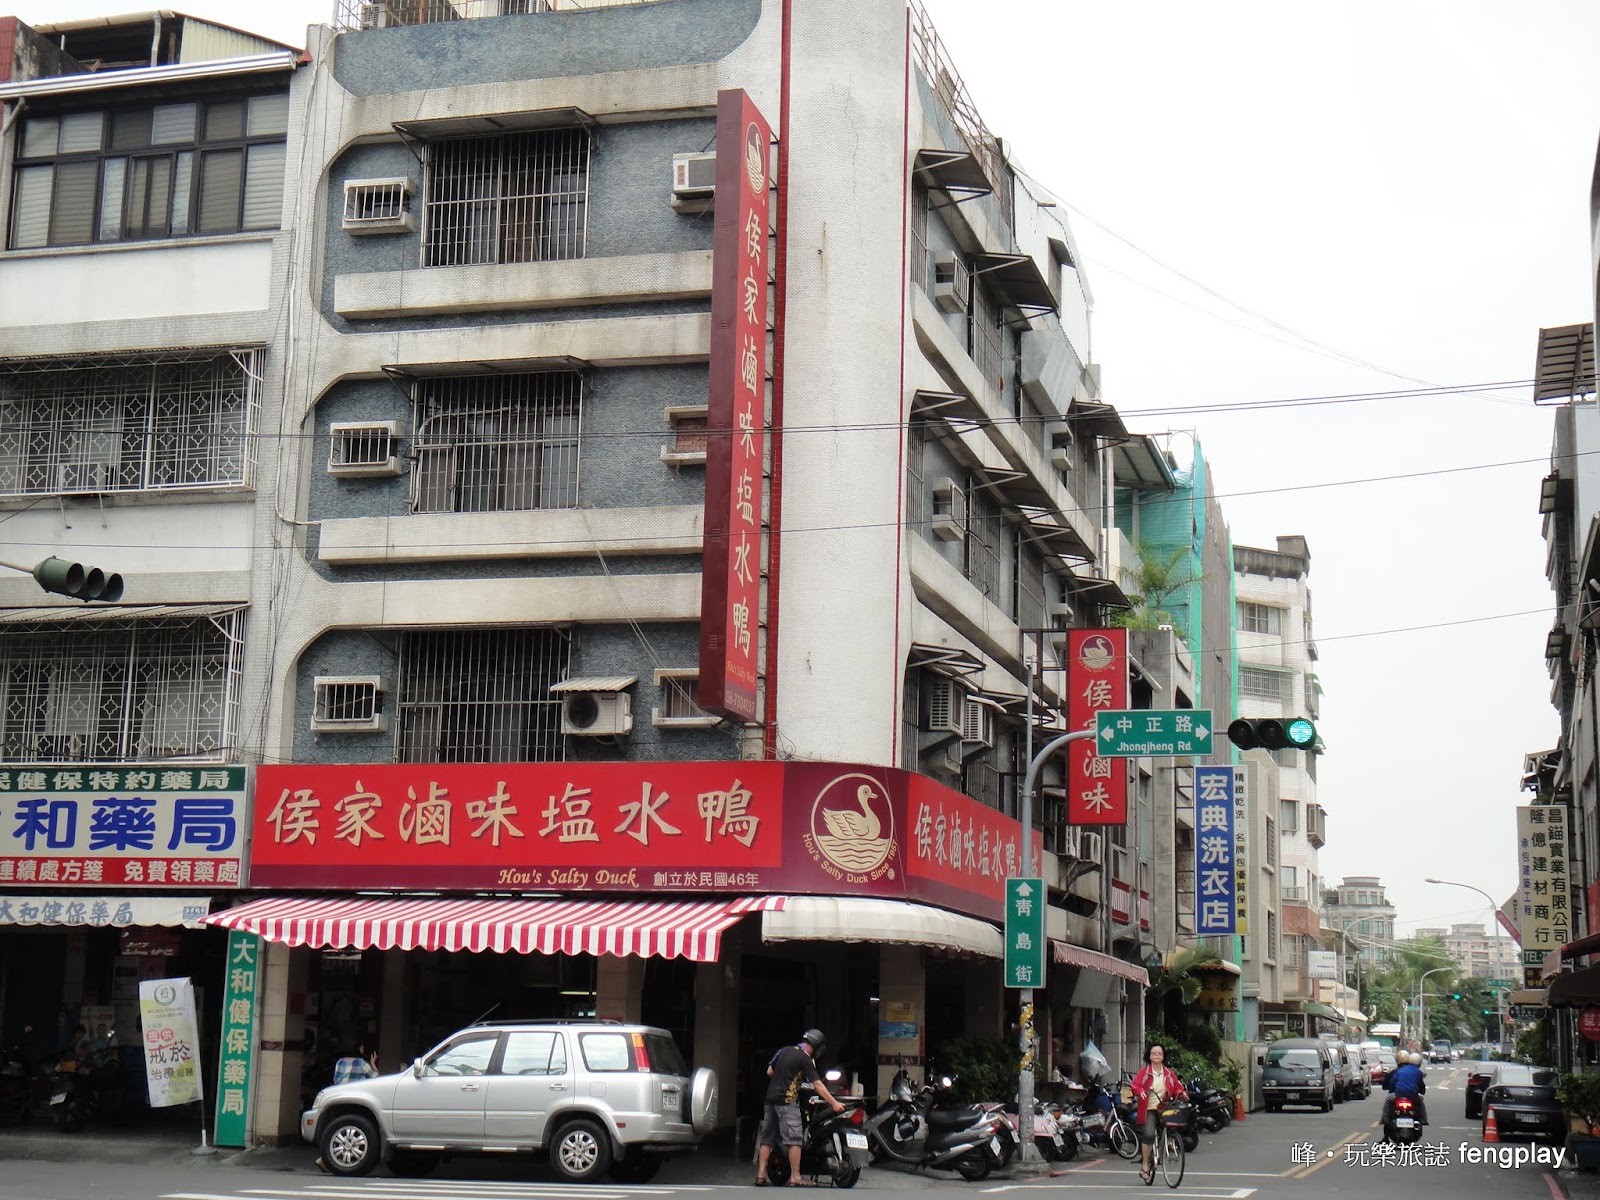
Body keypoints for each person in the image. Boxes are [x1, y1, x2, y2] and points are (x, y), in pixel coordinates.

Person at [755, 1028, 844, 1188]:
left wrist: (784, 1079)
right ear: (817, 1046)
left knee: (767, 1138)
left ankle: (761, 1175)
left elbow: (769, 1071)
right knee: (794, 1139)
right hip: (787, 1101)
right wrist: (834, 1103)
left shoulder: (783, 1051)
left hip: (770, 1100)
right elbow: (817, 1085)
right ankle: (795, 1176)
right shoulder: (806, 1058)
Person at [1129, 1043, 1186, 1185]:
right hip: (1149, 1108)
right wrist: (1140, 1091)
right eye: (1154, 1053)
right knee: (1149, 1134)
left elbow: (1177, 1087)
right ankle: (1145, 1165)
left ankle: (1162, 1150)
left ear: (1163, 1056)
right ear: (1149, 1056)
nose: (1157, 1055)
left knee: (1170, 1128)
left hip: (1164, 1108)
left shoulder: (1169, 1073)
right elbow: (1134, 1085)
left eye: (1159, 1053)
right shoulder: (1144, 1072)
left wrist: (1182, 1093)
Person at [1382, 1049, 1427, 1132]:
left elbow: (1393, 1082)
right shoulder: (1419, 1072)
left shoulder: (1400, 1070)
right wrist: (1421, 1091)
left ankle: (1384, 1119)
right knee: (1421, 1101)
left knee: (1388, 1099)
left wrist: (1391, 1089)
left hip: (1399, 1094)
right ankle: (1423, 1120)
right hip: (1413, 1096)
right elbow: (1421, 1085)